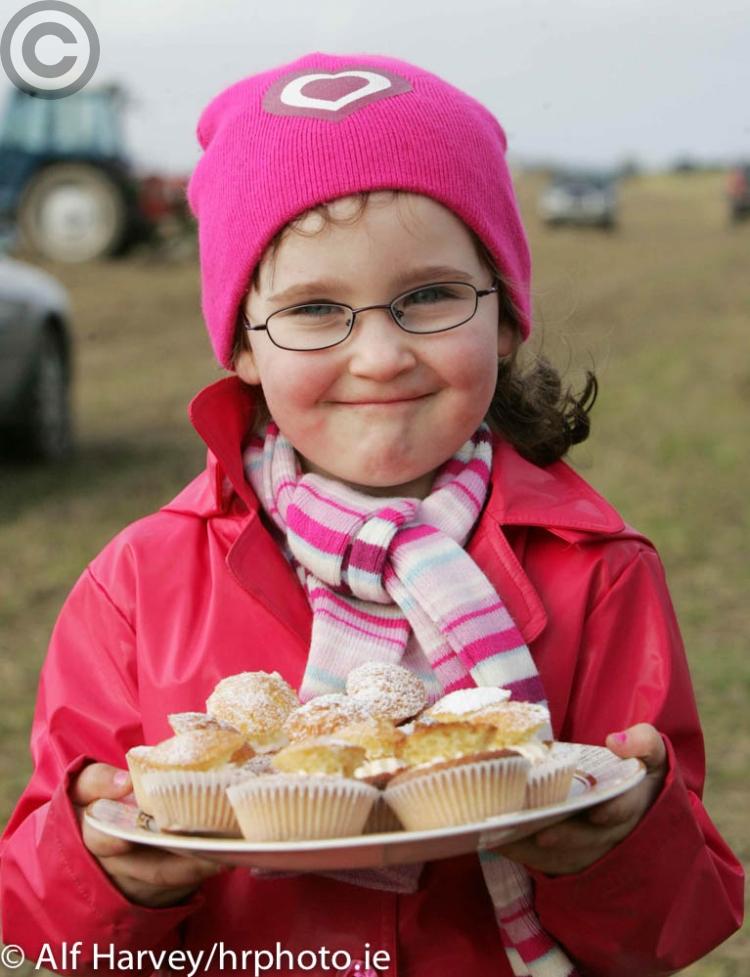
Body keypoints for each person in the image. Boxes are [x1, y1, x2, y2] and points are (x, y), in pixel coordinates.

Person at [0, 52, 743, 977]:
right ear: (240, 344)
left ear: (506, 317)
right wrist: (113, 874)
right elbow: (39, 926)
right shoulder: (140, 587)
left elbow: (672, 929)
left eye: (429, 295)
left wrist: (619, 845)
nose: (381, 355)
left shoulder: (596, 569)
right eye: (315, 309)